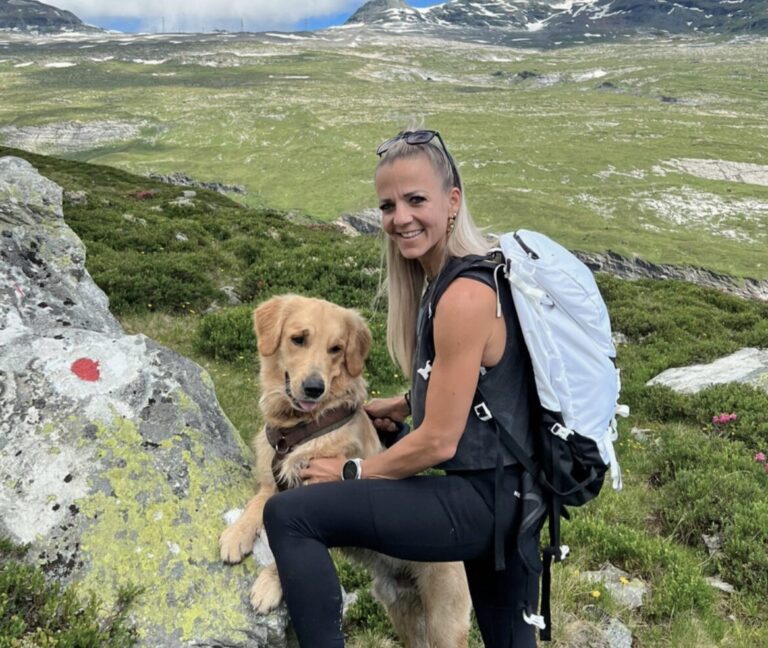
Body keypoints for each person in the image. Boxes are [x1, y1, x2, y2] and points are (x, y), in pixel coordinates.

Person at [262, 126, 540, 647]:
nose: (400, 218)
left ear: (453, 201)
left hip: (483, 502)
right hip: (513, 499)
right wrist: (404, 402)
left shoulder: (462, 295)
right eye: (388, 205)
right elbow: (481, 384)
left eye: (416, 200)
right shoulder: (454, 280)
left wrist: (352, 469)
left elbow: (439, 442)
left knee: (289, 515)